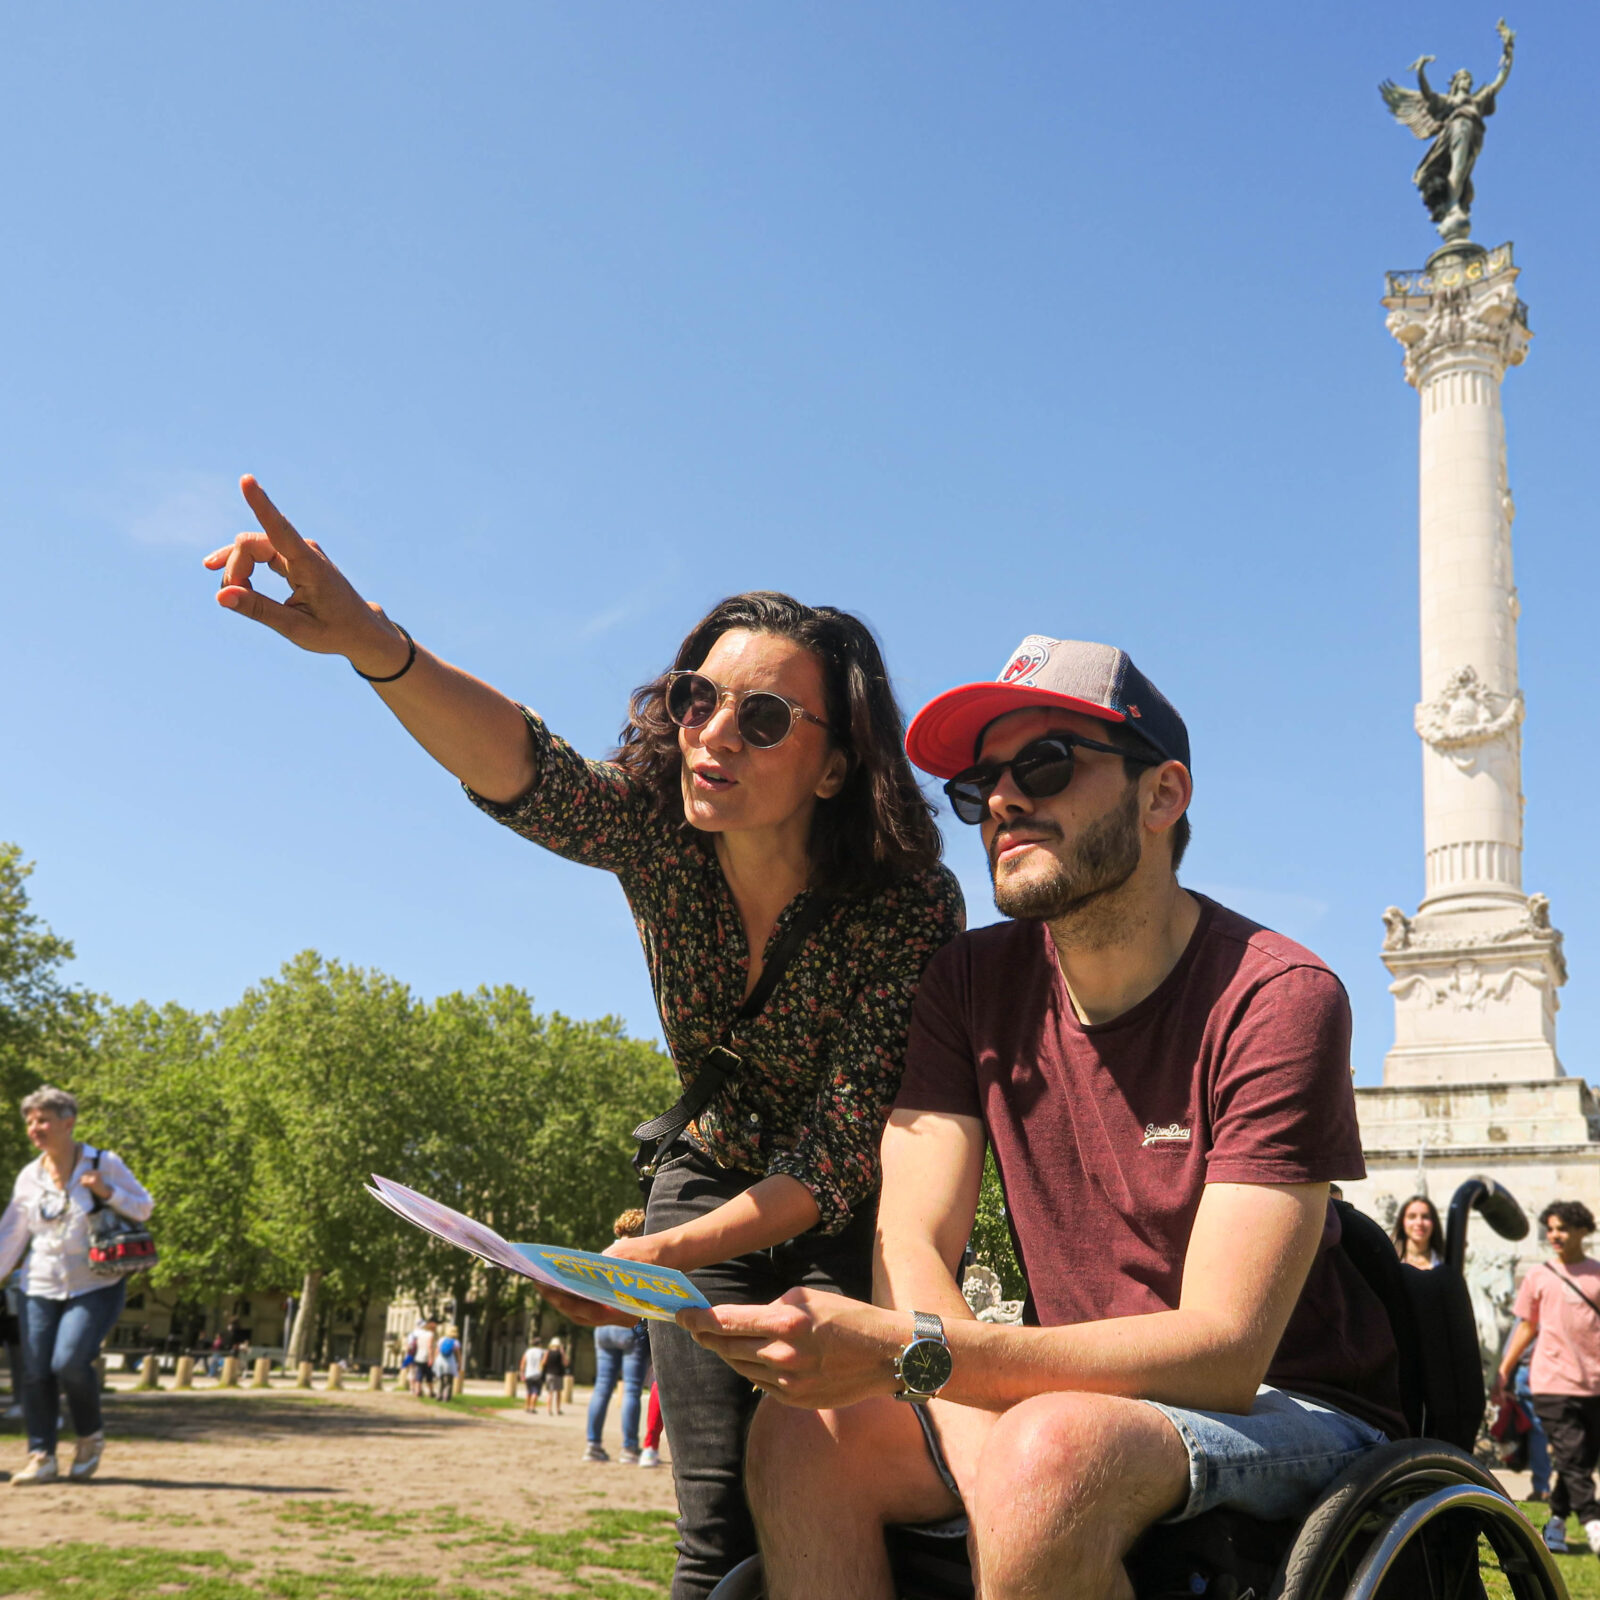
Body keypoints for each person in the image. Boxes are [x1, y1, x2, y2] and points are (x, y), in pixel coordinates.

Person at [203, 478, 963, 1598]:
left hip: (845, 1220)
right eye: (697, 698)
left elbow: (842, 1151)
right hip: (703, 1171)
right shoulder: (659, 835)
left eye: (762, 720)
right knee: (711, 1526)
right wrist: (370, 642)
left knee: (825, 1490)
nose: (711, 735)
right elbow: (521, 765)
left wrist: (660, 1261)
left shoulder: (906, 908)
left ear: (835, 763)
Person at [681, 636, 1403, 1600]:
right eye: (980, 789)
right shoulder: (969, 980)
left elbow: (1226, 1351)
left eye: (1046, 765)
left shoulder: (1278, 996)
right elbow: (908, 1232)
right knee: (806, 1435)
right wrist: (966, 1419)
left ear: (1162, 795)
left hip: (1293, 1404)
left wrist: (929, 1366)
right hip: (1057, 1404)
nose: (1004, 803)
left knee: (1047, 1456)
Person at [0, 1086, 155, 1485]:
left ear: (68, 1123)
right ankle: (41, 1455)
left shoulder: (105, 1162)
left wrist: (106, 1191)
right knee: (35, 1373)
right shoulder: (29, 1177)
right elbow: (11, 1236)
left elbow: (144, 1206)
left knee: (68, 1361)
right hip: (38, 1284)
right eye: (31, 1121)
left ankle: (89, 1437)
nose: (35, 1128)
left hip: (97, 1283)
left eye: (43, 1120)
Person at [1496, 1201, 1600, 1557]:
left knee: (1580, 1459)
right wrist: (1504, 1370)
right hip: (1551, 1381)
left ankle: (1555, 1524)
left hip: (1594, 1383)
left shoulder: (1597, 1274)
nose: (1555, 1235)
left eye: (1563, 1228)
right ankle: (1593, 1523)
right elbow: (1526, 1327)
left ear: (1583, 1231)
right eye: (1551, 1228)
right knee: (1572, 1452)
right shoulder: (1538, 1277)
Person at [586, 1209, 652, 1464]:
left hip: (603, 1326)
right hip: (628, 1323)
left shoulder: (606, 1253)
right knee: (632, 1389)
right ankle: (629, 1448)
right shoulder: (640, 1252)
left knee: (602, 1386)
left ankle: (593, 1445)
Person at [1392, 1193, 1444, 1269]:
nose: (1419, 1223)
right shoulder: (1390, 1261)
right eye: (1412, 1217)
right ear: (1402, 1222)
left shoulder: (1445, 1262)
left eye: (1425, 1217)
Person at [435, 1324, 461, 1403]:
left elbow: (437, 1351)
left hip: (440, 1361)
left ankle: (438, 1395)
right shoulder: (456, 1342)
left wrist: (435, 1361)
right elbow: (458, 1354)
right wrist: (459, 1363)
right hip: (450, 1363)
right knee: (448, 1382)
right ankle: (446, 1397)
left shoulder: (441, 1340)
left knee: (440, 1379)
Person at [541, 1337, 567, 1416]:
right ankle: (558, 1409)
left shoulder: (547, 1352)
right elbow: (565, 1363)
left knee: (550, 1393)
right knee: (558, 1393)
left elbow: (543, 1362)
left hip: (549, 1374)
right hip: (558, 1374)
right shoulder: (560, 1353)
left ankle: (549, 1410)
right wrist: (563, 1352)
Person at [520, 1336, 546, 1414]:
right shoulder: (542, 1352)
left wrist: (522, 1373)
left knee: (529, 1391)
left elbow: (523, 1363)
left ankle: (527, 1406)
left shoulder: (528, 1351)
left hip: (528, 1374)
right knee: (535, 1392)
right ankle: (532, 1407)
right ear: (539, 1344)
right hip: (537, 1374)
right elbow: (543, 1363)